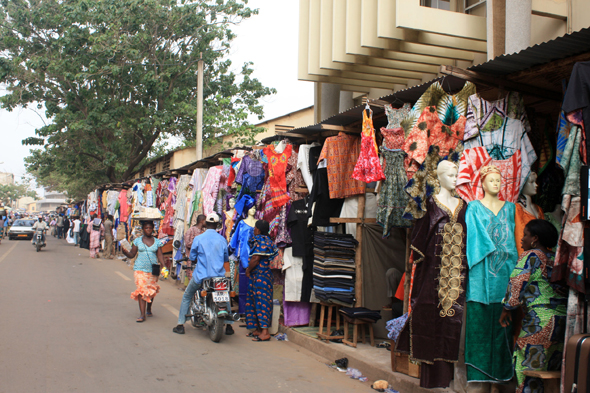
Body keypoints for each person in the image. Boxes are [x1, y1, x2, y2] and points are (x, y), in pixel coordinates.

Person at [499, 219, 567, 393]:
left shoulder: (532, 255)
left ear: (535, 239)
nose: (522, 239)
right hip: (561, 322)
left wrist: (507, 308)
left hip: (539, 322)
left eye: (525, 235)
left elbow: (517, 282)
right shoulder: (555, 258)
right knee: (551, 371)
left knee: (526, 369)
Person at [173, 213, 229, 335]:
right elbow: (226, 258)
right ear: (217, 225)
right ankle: (229, 325)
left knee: (187, 295)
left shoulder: (199, 239)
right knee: (224, 295)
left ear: (206, 224)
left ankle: (180, 324)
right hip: (219, 276)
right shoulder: (222, 239)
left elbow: (192, 256)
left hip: (202, 276)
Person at [122, 221, 165, 323]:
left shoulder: (157, 242)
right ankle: (142, 314)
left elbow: (160, 255)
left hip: (153, 270)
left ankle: (149, 309)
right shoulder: (137, 241)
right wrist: (126, 253)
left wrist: (163, 266)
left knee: (151, 290)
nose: (148, 230)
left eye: (150, 228)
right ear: (143, 229)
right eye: (146, 228)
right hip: (139, 269)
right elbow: (132, 254)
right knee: (142, 290)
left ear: (153, 229)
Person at [245, 220, 278, 342]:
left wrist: (248, 270)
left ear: (258, 229)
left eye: (255, 227)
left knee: (261, 302)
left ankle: (265, 332)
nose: (253, 229)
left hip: (261, 275)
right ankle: (257, 330)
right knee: (253, 301)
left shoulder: (260, 240)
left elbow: (256, 258)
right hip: (260, 275)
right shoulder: (267, 240)